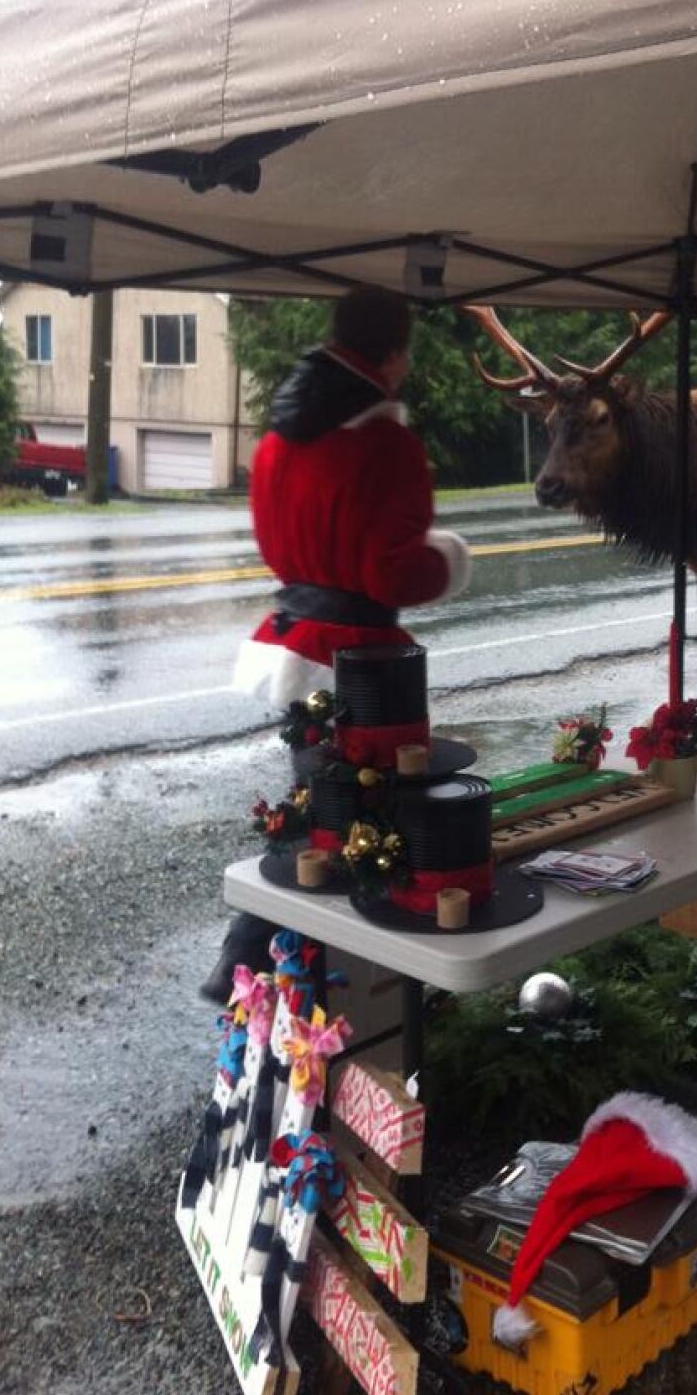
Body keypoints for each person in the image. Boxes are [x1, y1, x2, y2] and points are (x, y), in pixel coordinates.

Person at [200, 284, 471, 1003]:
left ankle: (280, 971)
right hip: (361, 668)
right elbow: (392, 572)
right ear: (393, 354)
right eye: (407, 354)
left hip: (294, 643)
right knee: (357, 819)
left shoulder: (279, 439)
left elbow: (275, 548)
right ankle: (286, 970)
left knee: (322, 805)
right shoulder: (387, 444)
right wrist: (449, 559)